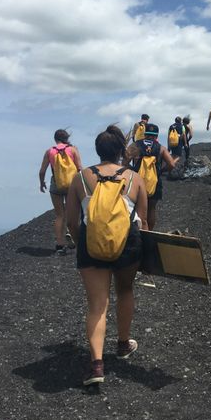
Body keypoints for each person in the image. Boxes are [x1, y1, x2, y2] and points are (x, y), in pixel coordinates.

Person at [65, 125, 148, 386]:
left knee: (97, 305)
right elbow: (143, 221)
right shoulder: (135, 178)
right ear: (121, 152)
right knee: (125, 291)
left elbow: (71, 222)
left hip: (92, 244)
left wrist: (84, 244)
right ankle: (123, 345)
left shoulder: (80, 178)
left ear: (98, 150)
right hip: (128, 244)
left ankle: (97, 365)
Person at [39, 129, 83, 255]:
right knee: (73, 213)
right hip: (71, 185)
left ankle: (59, 245)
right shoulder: (73, 149)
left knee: (59, 215)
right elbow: (79, 168)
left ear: (55, 139)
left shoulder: (49, 151)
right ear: (66, 138)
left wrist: (42, 183)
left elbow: (42, 171)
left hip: (56, 184)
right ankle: (71, 235)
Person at [132, 124, 177, 231]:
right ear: (156, 136)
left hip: (137, 182)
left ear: (145, 134)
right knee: (151, 208)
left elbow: (124, 161)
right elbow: (171, 164)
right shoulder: (161, 148)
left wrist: (132, 170)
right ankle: (149, 232)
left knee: (136, 207)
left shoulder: (135, 145)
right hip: (154, 182)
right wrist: (161, 170)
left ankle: (137, 230)